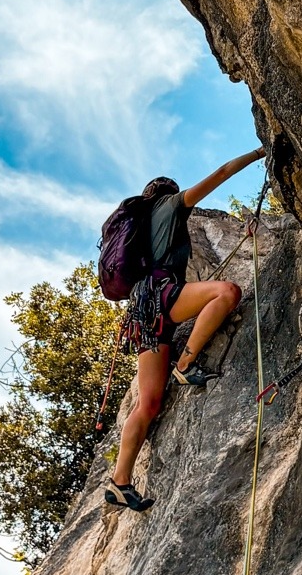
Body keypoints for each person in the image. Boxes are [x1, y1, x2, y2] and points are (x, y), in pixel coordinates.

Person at [106, 145, 267, 511]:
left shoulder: (139, 225)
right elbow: (223, 172)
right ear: (168, 192)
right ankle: (185, 365)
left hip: (142, 313)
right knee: (226, 292)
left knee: (148, 403)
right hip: (164, 295)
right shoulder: (172, 204)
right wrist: (260, 152)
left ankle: (120, 481)